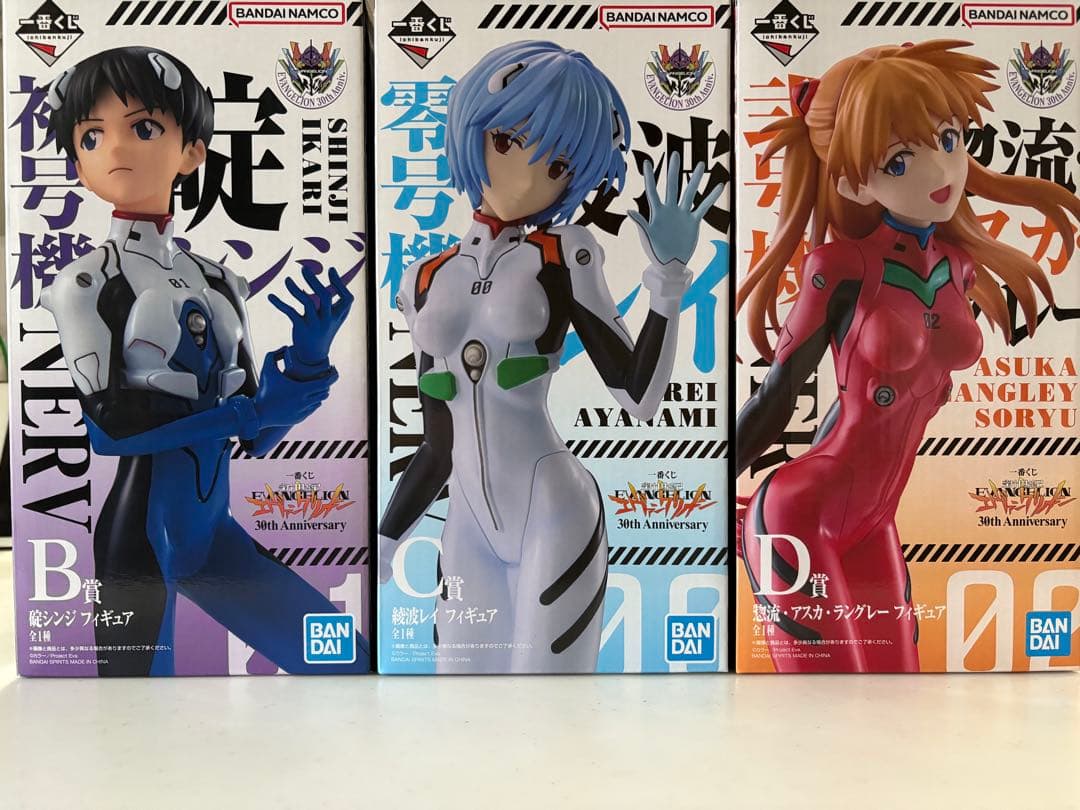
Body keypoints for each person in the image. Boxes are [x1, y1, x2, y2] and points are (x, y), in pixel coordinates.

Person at [735, 40, 1080, 672]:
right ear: (850, 181)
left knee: (901, 694)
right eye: (899, 160)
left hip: (876, 520)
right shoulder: (838, 267)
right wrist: (704, 484)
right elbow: (778, 394)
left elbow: (875, 400)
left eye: (948, 139)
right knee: (820, 708)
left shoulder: (957, 266)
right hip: (798, 513)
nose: (939, 170)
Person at [378, 40, 721, 673]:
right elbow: (436, 443)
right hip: (466, 521)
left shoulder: (564, 254)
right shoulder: (424, 278)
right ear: (472, 130)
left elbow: (639, 397)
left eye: (558, 163)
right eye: (507, 141)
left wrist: (669, 280)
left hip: (554, 511)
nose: (526, 178)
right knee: (460, 702)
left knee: (551, 702)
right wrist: (386, 536)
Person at [43, 46, 368, 675]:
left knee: (347, 662)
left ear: (192, 151)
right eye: (92, 136)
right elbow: (109, 432)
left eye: (143, 127)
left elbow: (258, 436)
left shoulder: (219, 281)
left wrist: (306, 365)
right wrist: (249, 414)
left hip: (213, 535)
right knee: (132, 717)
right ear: (78, 163)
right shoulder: (88, 282)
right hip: (139, 542)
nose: (116, 148)